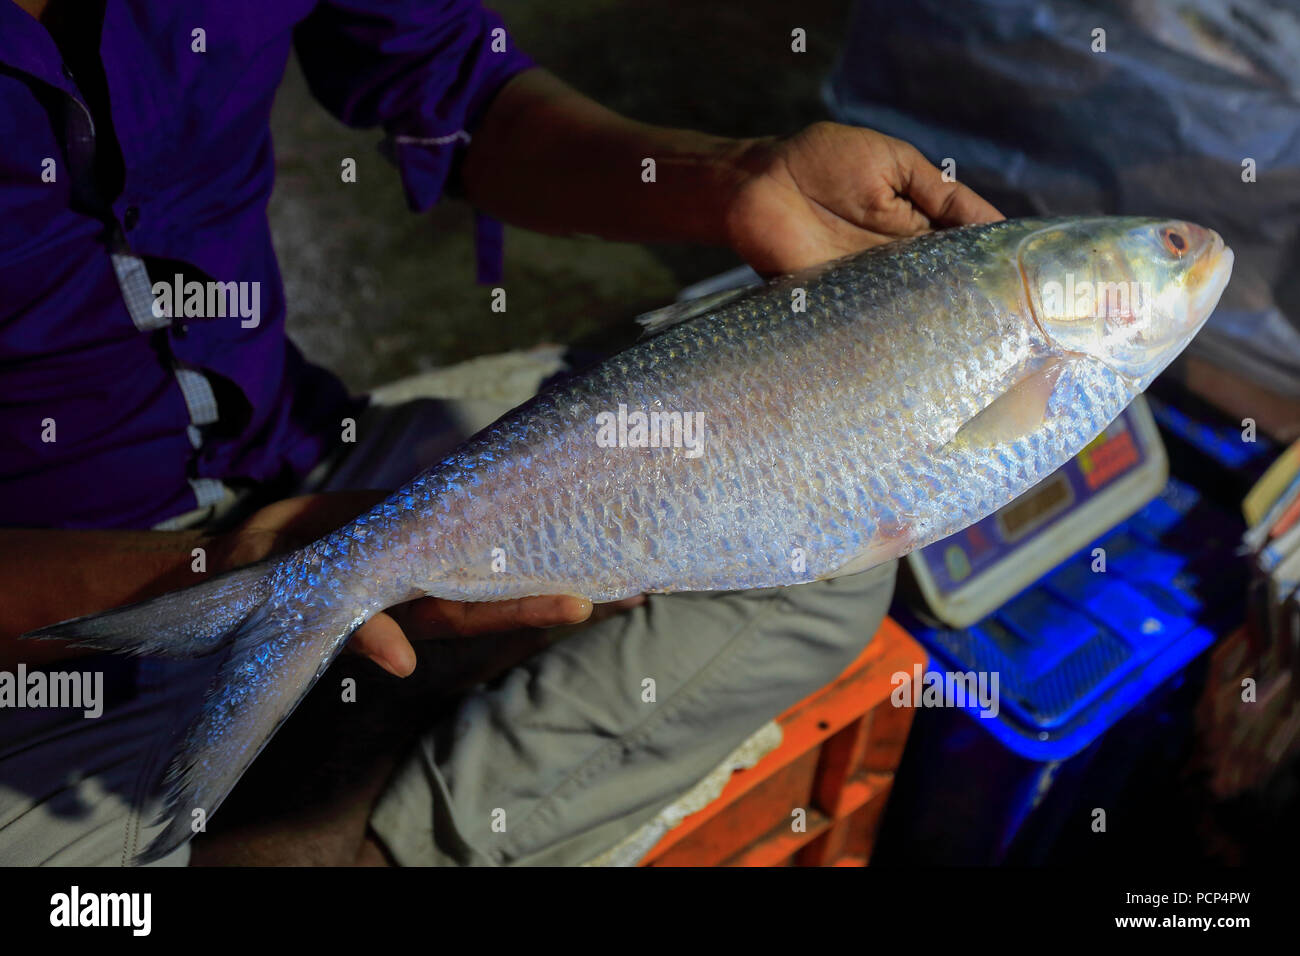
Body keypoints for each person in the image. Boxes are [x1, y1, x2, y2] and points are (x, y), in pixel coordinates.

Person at [0, 0, 1001, 865]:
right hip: (45, 605)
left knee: (822, 562)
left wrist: (732, 179)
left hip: (300, 447)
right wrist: (215, 569)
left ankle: (389, 832)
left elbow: (456, 87)